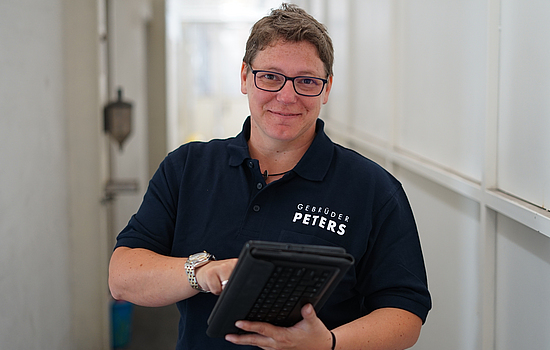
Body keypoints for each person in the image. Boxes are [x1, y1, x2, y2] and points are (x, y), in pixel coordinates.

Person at [108, 3, 431, 350]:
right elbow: (123, 278)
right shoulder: (187, 168)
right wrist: (201, 274)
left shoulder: (374, 189)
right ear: (245, 77)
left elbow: (405, 313)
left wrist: (329, 343)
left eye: (306, 81)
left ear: (327, 87)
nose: (287, 96)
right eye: (271, 77)